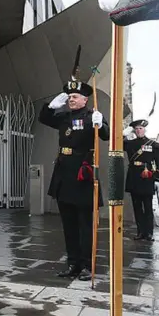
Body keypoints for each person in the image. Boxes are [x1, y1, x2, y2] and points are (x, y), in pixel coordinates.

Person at [38, 80, 109, 281]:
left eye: (75, 96)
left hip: (82, 175)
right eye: (69, 97)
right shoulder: (64, 117)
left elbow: (106, 135)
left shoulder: (91, 116)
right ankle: (73, 263)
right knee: (68, 225)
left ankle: (87, 265)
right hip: (63, 174)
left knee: (85, 225)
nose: (71, 99)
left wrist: (100, 122)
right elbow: (44, 119)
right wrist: (51, 106)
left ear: (85, 99)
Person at [122, 119, 159, 241]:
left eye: (141, 128)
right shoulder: (130, 143)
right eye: (136, 129)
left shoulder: (153, 144)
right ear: (134, 131)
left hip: (147, 176)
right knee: (137, 206)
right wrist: (124, 133)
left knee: (148, 206)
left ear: (144, 129)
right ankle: (140, 232)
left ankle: (149, 232)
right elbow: (118, 142)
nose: (139, 130)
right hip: (134, 176)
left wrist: (157, 178)